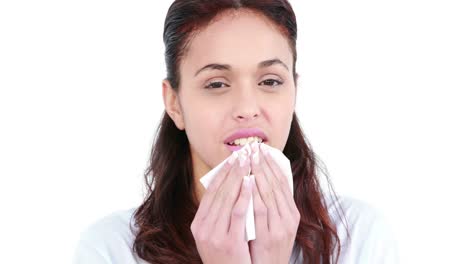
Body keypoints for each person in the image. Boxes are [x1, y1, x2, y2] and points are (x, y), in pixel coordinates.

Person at [73, 0, 399, 263]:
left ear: (294, 92)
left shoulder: (357, 236)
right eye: (217, 84)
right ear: (174, 103)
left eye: (270, 81)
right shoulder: (110, 249)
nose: (247, 106)